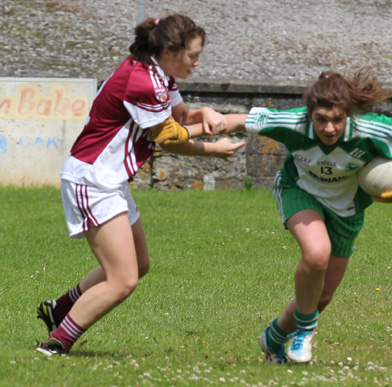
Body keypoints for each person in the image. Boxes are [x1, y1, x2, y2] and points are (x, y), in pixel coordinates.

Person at [36, 14, 245, 356]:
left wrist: (204, 112)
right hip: (93, 181)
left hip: (108, 181)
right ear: (167, 51)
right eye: (192, 55)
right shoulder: (143, 82)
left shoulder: (158, 73)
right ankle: (56, 344)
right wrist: (213, 149)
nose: (197, 62)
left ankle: (60, 310)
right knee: (123, 279)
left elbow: (179, 117)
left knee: (140, 264)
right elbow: (169, 138)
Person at [219, 68, 392, 364]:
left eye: (337, 119)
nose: (329, 128)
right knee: (316, 254)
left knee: (320, 298)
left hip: (347, 208)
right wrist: (192, 126)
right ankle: (305, 332)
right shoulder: (295, 122)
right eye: (321, 119)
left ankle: (274, 338)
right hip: (300, 190)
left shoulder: (368, 127)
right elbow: (236, 120)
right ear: (309, 114)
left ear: (348, 114)